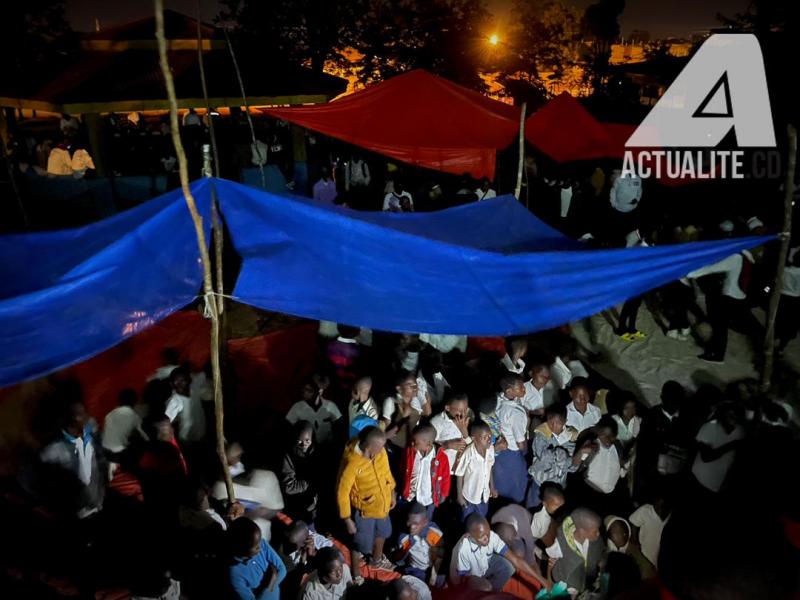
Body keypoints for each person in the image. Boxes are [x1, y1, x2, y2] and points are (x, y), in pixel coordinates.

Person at [336, 427, 396, 575]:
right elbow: (342, 492)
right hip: (364, 511)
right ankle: (356, 572)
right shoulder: (352, 463)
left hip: (382, 506)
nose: (383, 449)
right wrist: (347, 519)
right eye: (380, 446)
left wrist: (392, 492)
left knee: (383, 532)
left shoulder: (380, 453)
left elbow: (387, 473)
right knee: (360, 543)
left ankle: (376, 560)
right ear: (370, 447)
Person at [686, 248, 763, 363]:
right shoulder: (747, 256)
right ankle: (766, 339)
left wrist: (691, 273)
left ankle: (717, 355)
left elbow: (712, 268)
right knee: (744, 324)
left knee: (721, 326)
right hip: (740, 296)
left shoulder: (735, 257)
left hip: (729, 297)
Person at [40, 398, 107, 518]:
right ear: (70, 420)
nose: (87, 416)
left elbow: (101, 461)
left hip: (99, 505)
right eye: (81, 414)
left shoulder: (90, 435)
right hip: (79, 513)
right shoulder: (55, 451)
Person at [450, 513, 547, 591]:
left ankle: (493, 593)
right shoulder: (462, 550)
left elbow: (516, 560)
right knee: (485, 587)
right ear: (469, 536)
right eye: (482, 537)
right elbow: (459, 581)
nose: (487, 539)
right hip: (465, 577)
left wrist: (543, 581)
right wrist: (479, 584)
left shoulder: (491, 536)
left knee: (508, 566)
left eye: (487, 533)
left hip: (483, 565)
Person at [690, 402, 745, 493]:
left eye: (737, 416)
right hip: (697, 481)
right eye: (731, 414)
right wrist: (731, 445)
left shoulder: (740, 431)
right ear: (724, 413)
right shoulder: (710, 427)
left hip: (718, 488)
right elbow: (706, 457)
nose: (734, 418)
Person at [228, 517, 287, 600]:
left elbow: (282, 569)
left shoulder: (261, 543)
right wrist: (271, 582)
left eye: (260, 541)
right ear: (244, 549)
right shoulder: (235, 573)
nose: (261, 547)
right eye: (256, 547)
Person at [399, 425, 451, 518]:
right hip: (411, 496)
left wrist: (444, 494)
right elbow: (403, 468)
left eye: (415, 442)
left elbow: (446, 477)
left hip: (428, 499)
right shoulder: (409, 452)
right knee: (407, 519)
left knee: (424, 521)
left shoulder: (441, 458)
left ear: (428, 444)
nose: (412, 443)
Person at [549, 508, 604, 595]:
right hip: (568, 587)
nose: (598, 534)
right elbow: (552, 567)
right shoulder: (560, 546)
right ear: (582, 531)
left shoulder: (594, 540)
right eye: (595, 531)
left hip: (586, 582)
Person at [494, 373, 530, 503]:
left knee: (500, 482)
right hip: (513, 455)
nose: (524, 389)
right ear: (509, 391)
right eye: (521, 388)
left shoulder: (498, 399)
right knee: (515, 486)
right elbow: (521, 444)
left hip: (501, 450)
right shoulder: (516, 413)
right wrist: (525, 452)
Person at [395, 501, 445, 585]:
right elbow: (399, 558)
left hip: (433, 567)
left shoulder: (433, 532)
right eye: (409, 523)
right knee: (416, 584)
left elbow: (439, 556)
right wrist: (405, 550)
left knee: (442, 581)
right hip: (415, 569)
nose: (411, 527)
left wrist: (433, 576)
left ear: (425, 522)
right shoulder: (404, 537)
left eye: (416, 524)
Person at [454, 421, 497, 519]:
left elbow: (489, 468)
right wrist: (459, 496)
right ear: (474, 439)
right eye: (485, 437)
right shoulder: (468, 453)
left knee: (481, 519)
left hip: (484, 496)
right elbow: (459, 474)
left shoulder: (490, 449)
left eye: (490, 436)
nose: (489, 440)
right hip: (469, 496)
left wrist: (492, 487)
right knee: (467, 520)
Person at [281, 420, 320, 524]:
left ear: (313, 438)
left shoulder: (318, 452)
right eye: (299, 441)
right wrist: (309, 483)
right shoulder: (289, 456)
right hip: (296, 507)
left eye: (307, 440)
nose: (304, 445)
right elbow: (288, 487)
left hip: (315, 506)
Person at [529, 405, 578, 489]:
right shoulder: (541, 434)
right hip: (540, 480)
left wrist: (567, 460)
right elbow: (541, 456)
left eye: (558, 423)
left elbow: (571, 465)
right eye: (550, 422)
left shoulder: (571, 436)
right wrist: (559, 453)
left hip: (559, 482)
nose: (553, 426)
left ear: (565, 422)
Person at [286, 377, 343, 446]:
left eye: (309, 390)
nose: (304, 392)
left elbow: (340, 427)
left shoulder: (330, 406)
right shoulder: (297, 407)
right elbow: (287, 427)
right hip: (306, 448)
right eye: (303, 389)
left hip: (327, 448)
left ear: (320, 391)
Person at [430, 392, 471, 474]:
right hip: (441, 471)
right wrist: (447, 445)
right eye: (459, 410)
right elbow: (427, 446)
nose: (463, 413)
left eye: (465, 409)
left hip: (459, 471)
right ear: (448, 408)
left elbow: (470, 446)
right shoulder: (437, 422)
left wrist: (464, 431)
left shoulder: (464, 420)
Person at [381, 371, 423, 451]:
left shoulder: (415, 400)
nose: (414, 388)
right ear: (399, 389)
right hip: (394, 446)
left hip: (410, 445)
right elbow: (385, 425)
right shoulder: (391, 402)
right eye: (409, 385)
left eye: (415, 385)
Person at [164, 367, 207, 444]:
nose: (179, 384)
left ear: (188, 380)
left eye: (182, 380)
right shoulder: (175, 401)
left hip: (202, 435)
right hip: (188, 441)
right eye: (175, 381)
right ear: (172, 384)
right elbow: (166, 421)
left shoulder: (194, 391)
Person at [629, 492, 671, 569]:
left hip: (658, 557)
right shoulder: (646, 510)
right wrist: (634, 541)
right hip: (644, 553)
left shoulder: (669, 515)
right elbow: (634, 523)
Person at [103, 388, 148, 455]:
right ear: (135, 401)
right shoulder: (134, 416)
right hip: (120, 453)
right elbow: (144, 437)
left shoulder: (109, 415)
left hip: (106, 451)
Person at [776, 250, 800, 352]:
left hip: (782, 297)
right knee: (789, 325)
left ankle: (774, 340)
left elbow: (777, 282)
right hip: (794, 300)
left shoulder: (785, 270)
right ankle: (781, 348)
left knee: (780, 320)